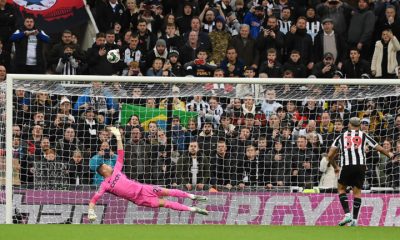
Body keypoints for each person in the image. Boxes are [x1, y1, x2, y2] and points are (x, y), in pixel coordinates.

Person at [87, 127, 208, 223]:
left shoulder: (117, 170)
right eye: (106, 166)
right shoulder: (104, 185)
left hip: (144, 188)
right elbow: (94, 198)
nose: (109, 165)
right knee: (167, 204)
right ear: (103, 170)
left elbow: (121, 153)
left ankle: (191, 196)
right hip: (141, 199)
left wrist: (118, 136)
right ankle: (193, 209)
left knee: (168, 191)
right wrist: (90, 211)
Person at [327, 117, 393, 226]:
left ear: (349, 124)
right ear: (359, 125)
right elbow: (378, 148)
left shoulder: (341, 136)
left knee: (341, 188)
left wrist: (335, 167)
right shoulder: (364, 135)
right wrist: (389, 154)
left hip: (346, 165)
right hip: (361, 166)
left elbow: (330, 155)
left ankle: (347, 214)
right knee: (357, 192)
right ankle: (355, 220)